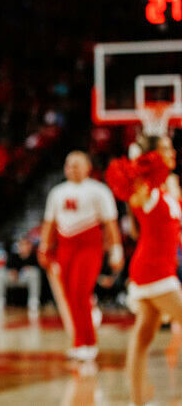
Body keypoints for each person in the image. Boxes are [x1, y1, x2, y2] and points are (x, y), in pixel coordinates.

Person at [106, 135, 181, 406]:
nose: (172, 151)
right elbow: (124, 178)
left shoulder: (166, 191)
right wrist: (141, 161)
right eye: (165, 149)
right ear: (151, 156)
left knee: (143, 337)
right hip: (154, 272)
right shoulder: (145, 190)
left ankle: (136, 403)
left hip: (162, 270)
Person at [38, 151, 123, 361]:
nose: (71, 169)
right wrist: (44, 247)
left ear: (87, 167)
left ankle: (90, 342)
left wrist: (116, 250)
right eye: (68, 165)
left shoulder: (99, 191)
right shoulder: (57, 193)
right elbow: (50, 223)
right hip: (65, 248)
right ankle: (78, 341)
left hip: (89, 247)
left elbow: (110, 224)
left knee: (80, 291)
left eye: (76, 165)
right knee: (69, 295)